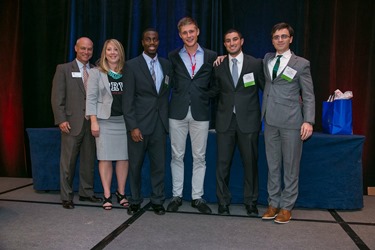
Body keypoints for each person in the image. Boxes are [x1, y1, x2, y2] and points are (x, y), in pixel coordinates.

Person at [261, 22, 315, 223]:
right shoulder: (267, 58)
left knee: (291, 166)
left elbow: (308, 95)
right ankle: (273, 203)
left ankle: (286, 207)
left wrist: (308, 120)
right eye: (276, 37)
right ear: (272, 40)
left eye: (283, 36)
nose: (280, 40)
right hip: (270, 121)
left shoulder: (301, 64)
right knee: (273, 165)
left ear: (290, 39)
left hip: (292, 122)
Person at [210, 29, 264, 216]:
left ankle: (251, 201)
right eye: (227, 41)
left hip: (248, 122)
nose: (231, 43)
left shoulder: (256, 64)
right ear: (224, 44)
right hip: (225, 122)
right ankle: (223, 201)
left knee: (250, 164)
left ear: (242, 41)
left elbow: (267, 88)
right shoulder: (218, 65)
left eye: (235, 40)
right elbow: (213, 91)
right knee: (222, 164)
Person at [167, 17, 217, 214]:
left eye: (191, 31)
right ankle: (176, 195)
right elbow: (168, 83)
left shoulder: (212, 56)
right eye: (184, 33)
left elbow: (217, 86)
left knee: (200, 157)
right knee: (176, 156)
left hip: (201, 112)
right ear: (180, 35)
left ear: (197, 32)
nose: (188, 35)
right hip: (177, 112)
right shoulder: (172, 56)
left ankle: (197, 197)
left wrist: (204, 95)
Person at [123, 28, 171, 215]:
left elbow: (164, 93)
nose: (152, 42)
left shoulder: (166, 65)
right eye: (148, 39)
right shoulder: (132, 65)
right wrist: (132, 126)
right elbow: (127, 100)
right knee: (135, 165)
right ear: (143, 42)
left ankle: (157, 200)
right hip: (139, 126)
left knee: (158, 166)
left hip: (160, 125)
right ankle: (135, 200)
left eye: (155, 39)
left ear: (159, 41)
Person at [51, 37, 102, 209]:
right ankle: (66, 196)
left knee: (88, 161)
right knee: (68, 162)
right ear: (75, 48)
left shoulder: (96, 71)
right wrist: (61, 119)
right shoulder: (64, 69)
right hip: (71, 123)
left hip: (91, 123)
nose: (86, 52)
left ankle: (86, 193)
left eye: (89, 49)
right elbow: (57, 97)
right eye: (83, 48)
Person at [86, 39, 129, 210]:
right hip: (104, 122)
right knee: (104, 158)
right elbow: (90, 98)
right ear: (104, 52)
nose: (112, 53)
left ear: (120, 53)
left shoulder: (128, 71)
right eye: (109, 50)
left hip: (124, 122)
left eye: (116, 50)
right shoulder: (96, 73)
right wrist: (93, 122)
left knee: (123, 158)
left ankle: (121, 192)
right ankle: (106, 194)